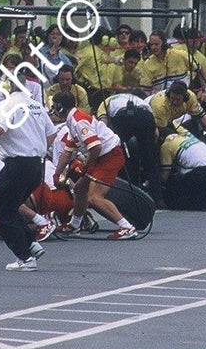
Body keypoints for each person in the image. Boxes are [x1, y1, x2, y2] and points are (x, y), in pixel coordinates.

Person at [48, 91, 142, 239]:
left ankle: (127, 227)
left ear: (60, 107)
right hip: (100, 156)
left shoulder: (78, 121)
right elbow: (67, 153)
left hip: (110, 155)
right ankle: (75, 225)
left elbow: (96, 147)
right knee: (80, 189)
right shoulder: (72, 121)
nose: (53, 111)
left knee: (94, 197)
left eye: (54, 107)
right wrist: (57, 174)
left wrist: (86, 166)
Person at [0, 82, 56, 271]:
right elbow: (51, 134)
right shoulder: (37, 106)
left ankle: (25, 257)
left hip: (17, 163)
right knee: (12, 207)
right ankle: (31, 244)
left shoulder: (8, 104)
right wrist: (36, 146)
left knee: (4, 212)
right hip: (36, 164)